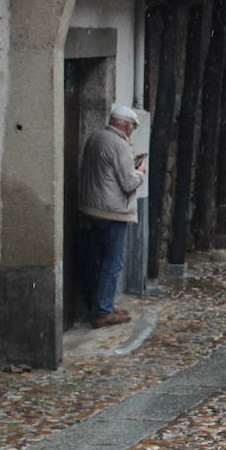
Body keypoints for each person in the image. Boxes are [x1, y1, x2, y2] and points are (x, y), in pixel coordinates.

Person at [78, 105, 146, 327]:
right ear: (126, 125)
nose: (131, 132)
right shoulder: (120, 144)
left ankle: (100, 304)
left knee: (98, 259)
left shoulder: (97, 137)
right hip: (112, 211)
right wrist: (140, 172)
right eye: (132, 127)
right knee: (113, 261)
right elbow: (128, 183)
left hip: (91, 207)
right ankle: (103, 311)